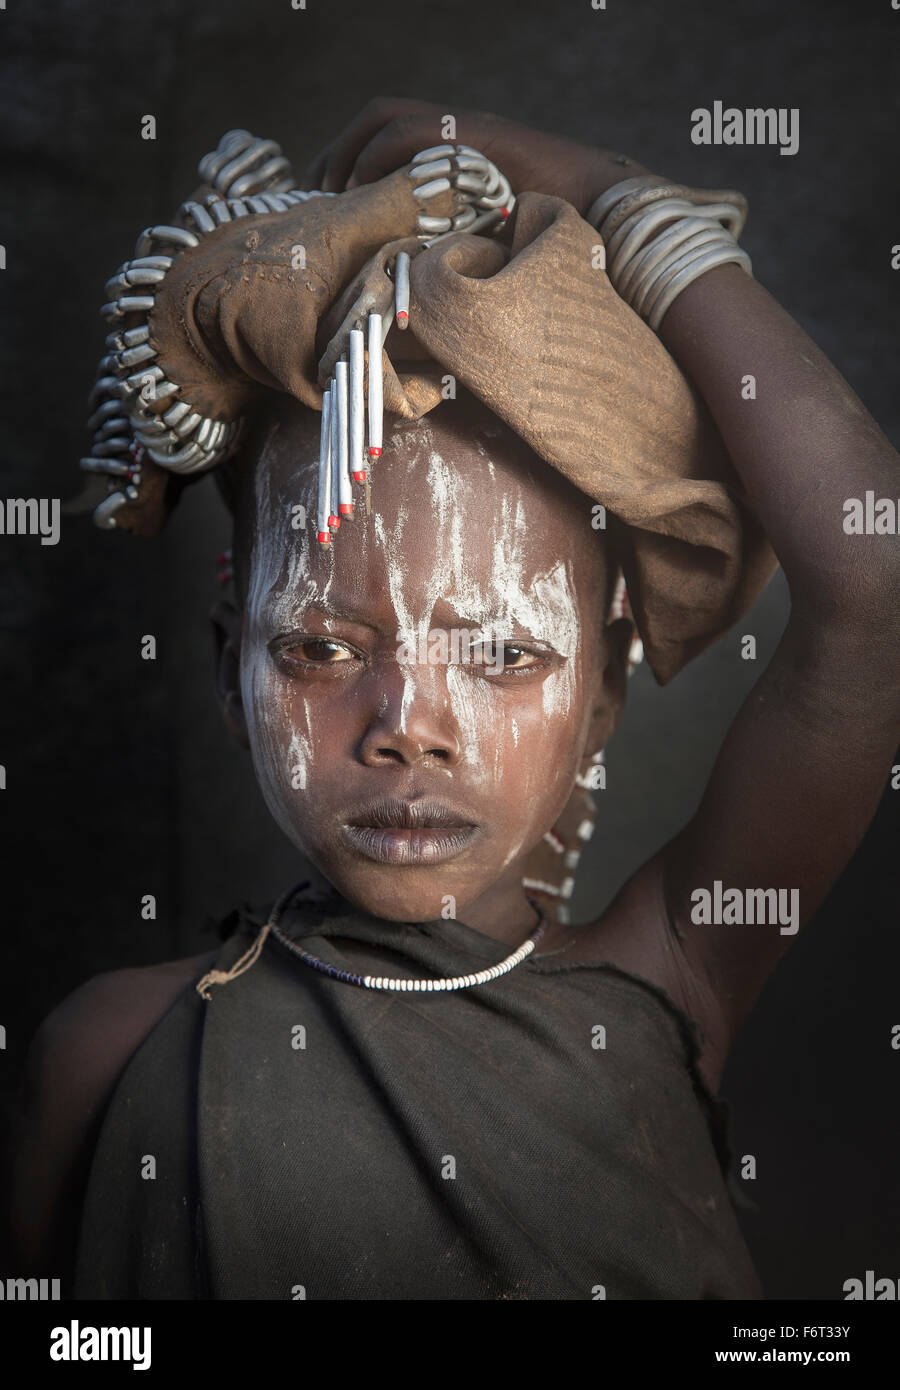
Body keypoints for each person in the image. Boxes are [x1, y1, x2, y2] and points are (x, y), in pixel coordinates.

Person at [8, 100, 898, 1300]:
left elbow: (874, 576)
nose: (407, 724)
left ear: (601, 698)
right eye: (322, 648)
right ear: (230, 672)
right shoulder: (106, 1056)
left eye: (502, 654)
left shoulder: (669, 978)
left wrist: (608, 189)